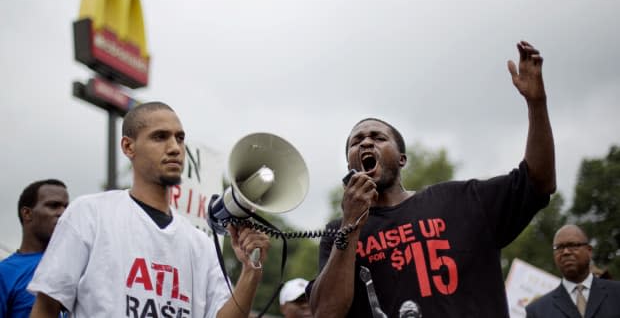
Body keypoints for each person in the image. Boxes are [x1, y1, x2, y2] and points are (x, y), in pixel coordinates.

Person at [308, 41, 557, 317]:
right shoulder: (338, 233)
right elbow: (326, 312)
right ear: (349, 165)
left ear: (402, 158)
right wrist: (350, 224)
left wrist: (537, 104)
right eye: (356, 142)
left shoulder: (461, 201)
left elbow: (539, 182)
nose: (366, 142)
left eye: (378, 137)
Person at [28, 102, 271, 318]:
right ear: (128, 146)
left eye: (180, 138)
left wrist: (251, 271)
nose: (174, 147)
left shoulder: (201, 244)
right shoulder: (89, 215)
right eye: (160, 137)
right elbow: (46, 307)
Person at [0, 179, 69, 318]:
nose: (63, 213)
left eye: (66, 207)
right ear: (27, 213)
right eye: (53, 206)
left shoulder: (76, 265)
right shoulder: (5, 273)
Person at [525, 224, 620, 318]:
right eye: (559, 247)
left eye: (573, 245)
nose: (566, 252)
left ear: (589, 251)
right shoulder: (537, 311)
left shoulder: (616, 293)